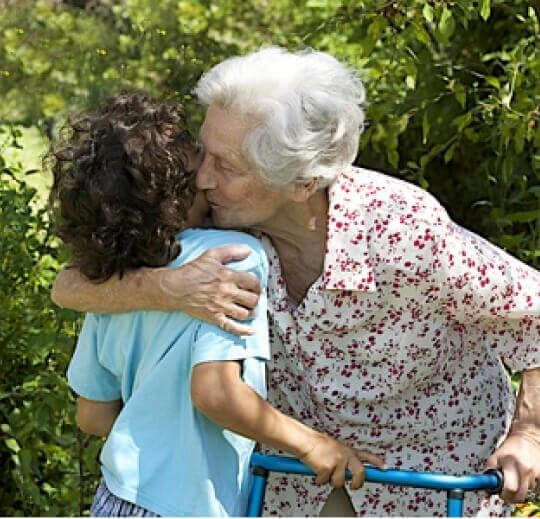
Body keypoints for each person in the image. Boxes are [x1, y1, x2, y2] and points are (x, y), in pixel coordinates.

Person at [52, 49, 540, 516]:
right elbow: (72, 285)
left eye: (227, 166)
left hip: (438, 479)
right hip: (297, 478)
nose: (200, 178)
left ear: (302, 183)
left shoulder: (402, 228)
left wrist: (530, 433)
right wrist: (171, 287)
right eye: (205, 153)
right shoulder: (222, 225)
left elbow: (532, 311)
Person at [48, 93, 383, 517]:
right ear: (174, 195)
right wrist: (313, 444)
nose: (208, 179)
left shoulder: (113, 277)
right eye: (197, 170)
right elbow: (214, 393)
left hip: (116, 497)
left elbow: (92, 416)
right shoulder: (231, 256)